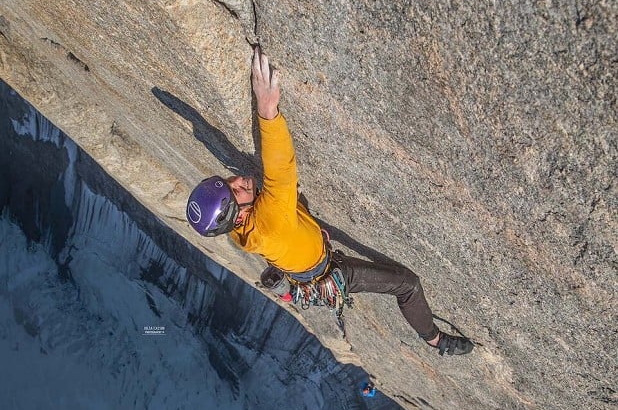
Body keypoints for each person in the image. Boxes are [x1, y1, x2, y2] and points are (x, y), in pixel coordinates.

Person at [186, 49, 473, 357]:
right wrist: (267, 108)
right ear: (238, 215)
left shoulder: (236, 228)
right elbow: (280, 167)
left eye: (229, 181)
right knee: (407, 285)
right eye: (236, 190)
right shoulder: (270, 219)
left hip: (301, 269)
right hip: (329, 271)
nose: (239, 179)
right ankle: (434, 340)